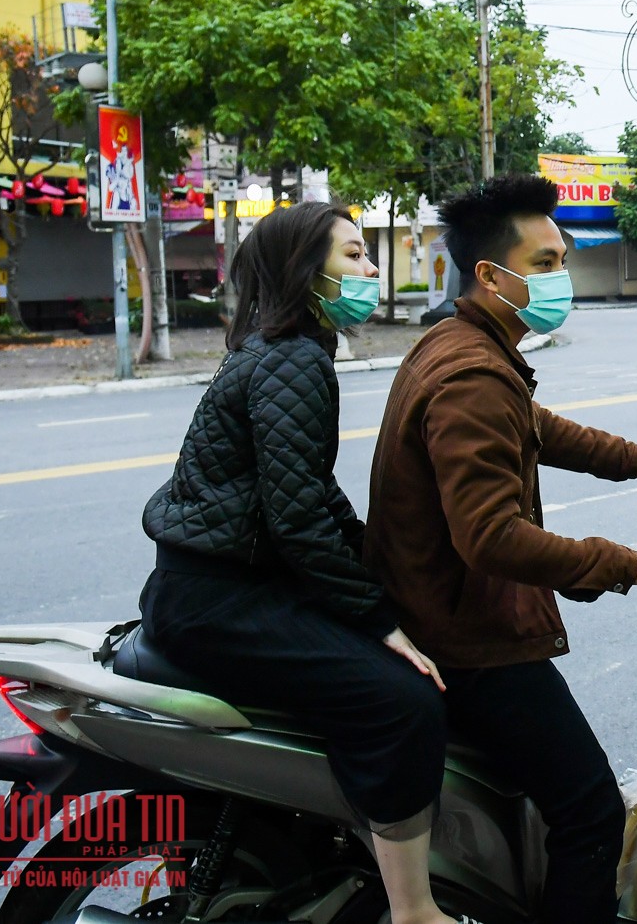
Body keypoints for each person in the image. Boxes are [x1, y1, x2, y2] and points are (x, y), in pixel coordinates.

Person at [366, 175, 637, 924]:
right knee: (590, 810)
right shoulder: (471, 372)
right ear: (493, 275)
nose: (562, 278)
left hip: (441, 612)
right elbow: (490, 535)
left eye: (561, 259)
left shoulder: (463, 343)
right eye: (546, 263)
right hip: (466, 637)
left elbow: (537, 426)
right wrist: (630, 564)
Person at [137, 202, 459, 924]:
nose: (371, 271)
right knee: (403, 699)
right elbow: (299, 519)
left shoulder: (281, 348)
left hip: (214, 586)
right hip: (218, 599)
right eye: (353, 257)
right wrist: (380, 618)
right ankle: (415, 910)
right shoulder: (292, 359)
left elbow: (310, 492)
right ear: (306, 272)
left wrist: (382, 565)